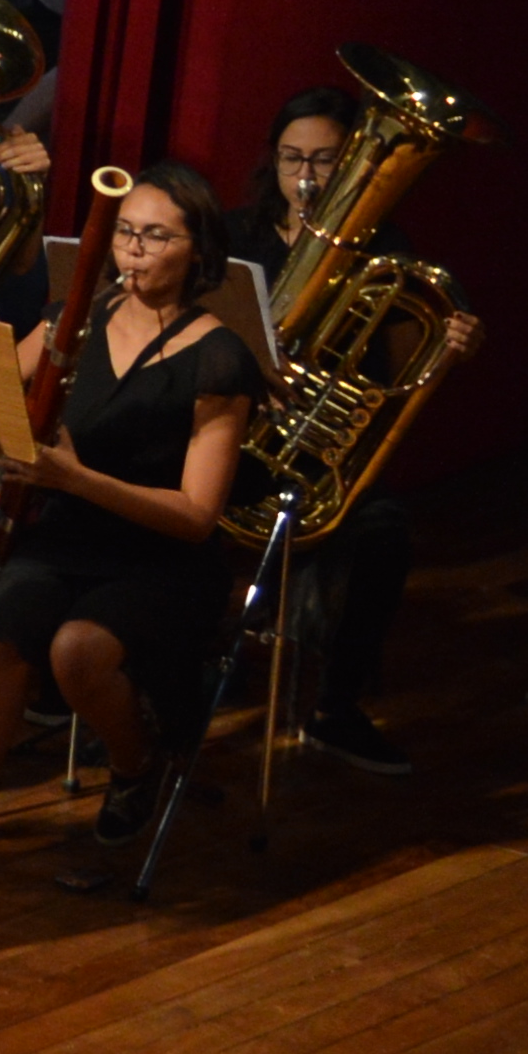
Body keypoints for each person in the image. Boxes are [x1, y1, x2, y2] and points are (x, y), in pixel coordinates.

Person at [0, 160, 261, 876]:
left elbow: (197, 516)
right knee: (7, 623)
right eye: (126, 233)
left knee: (77, 648)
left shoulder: (220, 359)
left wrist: (78, 478)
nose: (132, 251)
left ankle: (137, 763)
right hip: (64, 535)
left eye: (156, 237)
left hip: (159, 558)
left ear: (198, 251)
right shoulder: (72, 318)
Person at [230, 86, 423, 775]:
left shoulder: (387, 248)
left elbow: (394, 373)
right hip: (231, 436)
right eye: (291, 158)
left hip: (319, 454)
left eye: (322, 160)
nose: (305, 176)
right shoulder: (236, 237)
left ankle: (336, 709)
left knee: (384, 534)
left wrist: (451, 341)